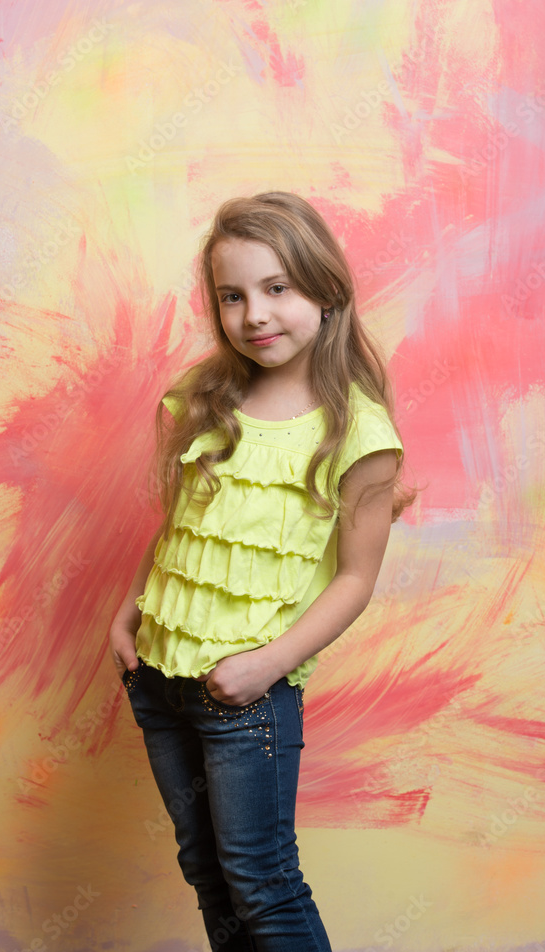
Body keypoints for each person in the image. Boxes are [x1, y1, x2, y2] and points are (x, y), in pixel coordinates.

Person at [109, 191, 416, 952]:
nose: (255, 314)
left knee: (262, 879)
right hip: (159, 678)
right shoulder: (202, 401)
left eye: (278, 288)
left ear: (324, 288)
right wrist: (131, 608)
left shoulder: (357, 431)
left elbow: (354, 580)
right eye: (233, 296)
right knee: (207, 872)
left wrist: (268, 666)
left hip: (247, 696)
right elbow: (186, 524)